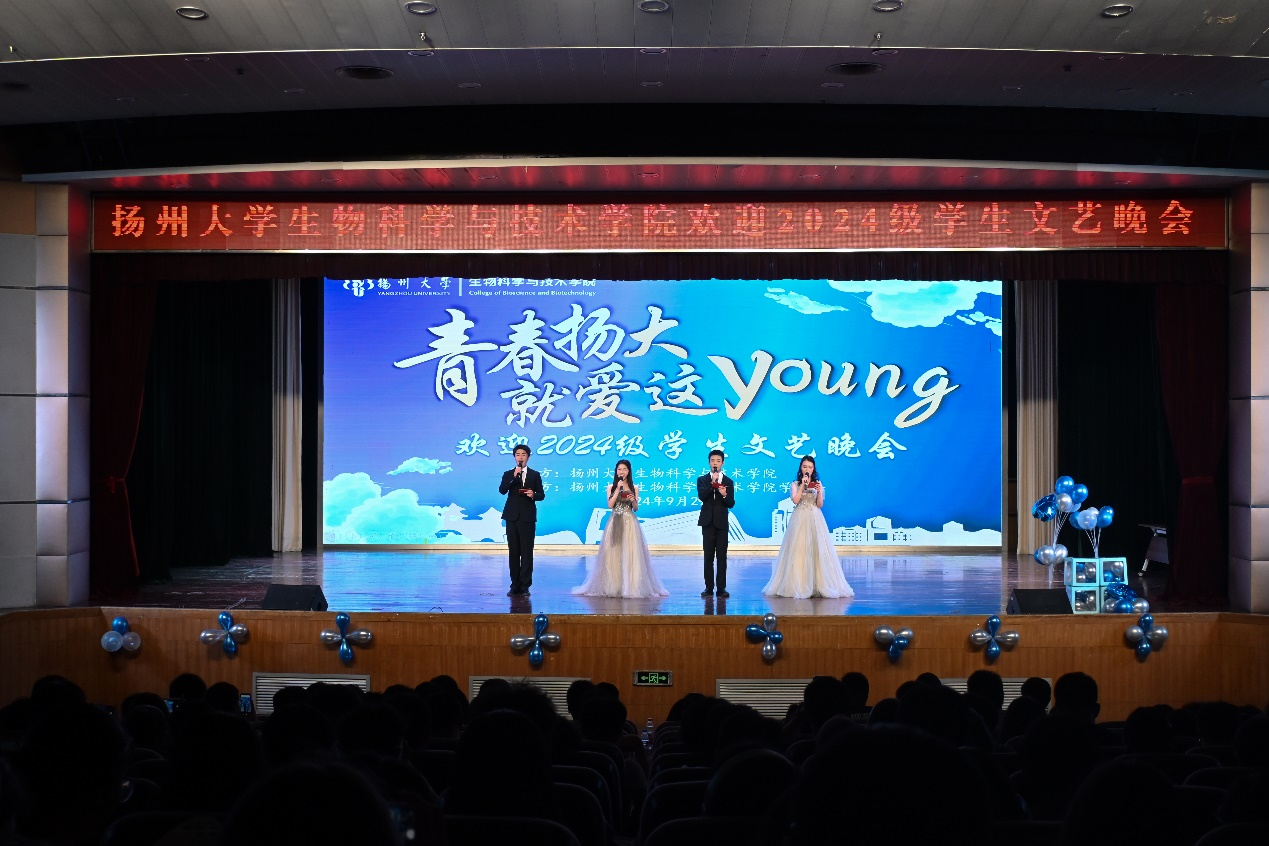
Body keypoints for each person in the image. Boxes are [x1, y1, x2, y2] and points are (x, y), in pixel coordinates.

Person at [573, 460, 668, 598]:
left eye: (624, 469)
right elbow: (610, 505)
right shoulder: (611, 487)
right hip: (614, 521)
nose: (621, 471)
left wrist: (633, 499)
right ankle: (613, 586)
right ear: (616, 471)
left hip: (630, 523)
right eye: (619, 469)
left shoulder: (635, 487)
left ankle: (630, 586)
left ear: (629, 471)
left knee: (630, 553)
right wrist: (618, 489)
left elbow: (636, 508)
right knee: (613, 553)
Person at [763, 456, 853, 599]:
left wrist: (820, 492)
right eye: (805, 466)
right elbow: (795, 500)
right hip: (800, 518)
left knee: (817, 549)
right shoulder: (795, 484)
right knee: (799, 549)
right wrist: (802, 486)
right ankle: (798, 584)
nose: (807, 469)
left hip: (815, 518)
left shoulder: (817, 484)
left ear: (813, 469)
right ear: (801, 468)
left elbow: (820, 505)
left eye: (810, 467)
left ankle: (818, 584)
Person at [499, 444, 545, 596]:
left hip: (527, 518)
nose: (520, 457)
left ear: (528, 457)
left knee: (526, 552)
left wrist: (533, 495)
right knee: (513, 552)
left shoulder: (535, 475)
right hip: (512, 517)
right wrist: (513, 477)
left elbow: (541, 495)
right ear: (514, 457)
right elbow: (502, 490)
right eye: (518, 454)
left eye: (523, 454)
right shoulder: (508, 474)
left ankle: (525, 586)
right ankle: (514, 585)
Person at [697, 448, 735, 598]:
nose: (715, 463)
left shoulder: (728, 482)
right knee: (708, 556)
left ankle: (721, 588)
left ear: (723, 463)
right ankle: (708, 587)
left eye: (718, 461)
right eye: (713, 460)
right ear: (709, 463)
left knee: (721, 556)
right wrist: (711, 484)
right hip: (707, 522)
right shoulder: (702, 479)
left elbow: (731, 503)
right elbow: (702, 496)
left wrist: (724, 494)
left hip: (721, 523)